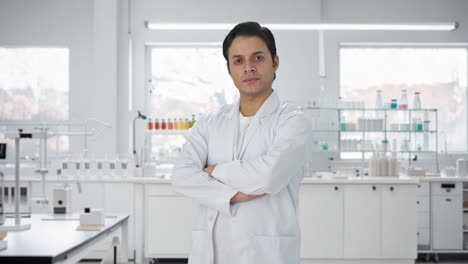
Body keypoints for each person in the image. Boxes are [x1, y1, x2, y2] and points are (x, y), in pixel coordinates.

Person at [172, 21, 311, 264]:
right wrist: (234, 195)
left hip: (266, 254)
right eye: (238, 61)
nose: (248, 68)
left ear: (275, 62)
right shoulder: (209, 122)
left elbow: (269, 175)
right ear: (229, 69)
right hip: (211, 253)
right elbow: (181, 176)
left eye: (257, 58)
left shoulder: (292, 121)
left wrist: (214, 171)